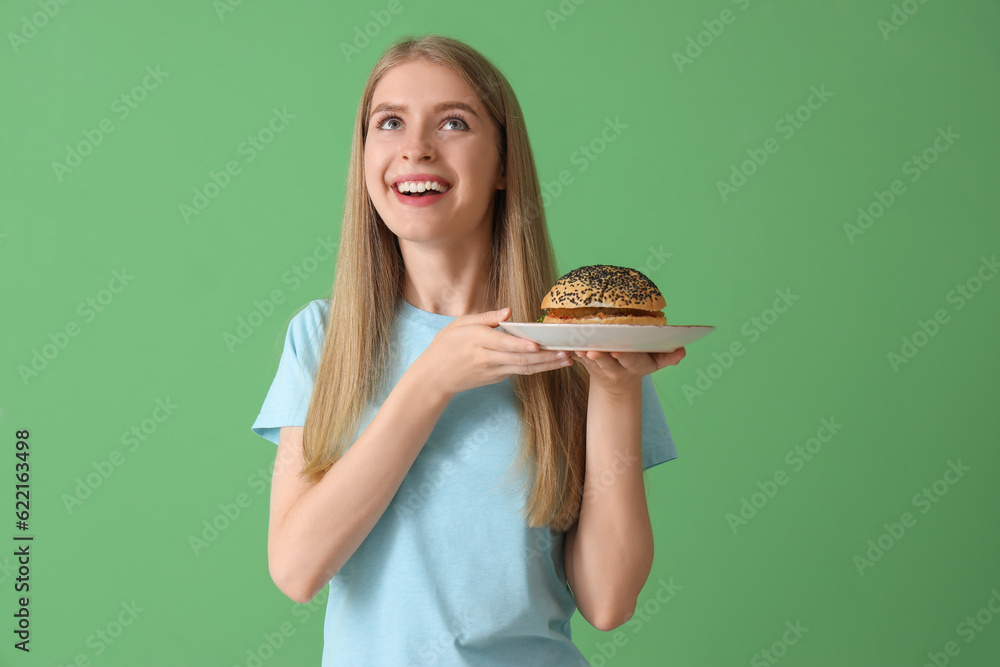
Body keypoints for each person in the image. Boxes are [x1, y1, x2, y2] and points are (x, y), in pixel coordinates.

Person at [250, 33, 686, 666]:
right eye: (390, 122)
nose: (416, 148)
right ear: (365, 154)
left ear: (505, 163)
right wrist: (431, 381)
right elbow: (297, 569)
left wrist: (616, 389)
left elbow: (609, 600)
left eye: (454, 122)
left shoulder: (579, 341)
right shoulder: (322, 337)